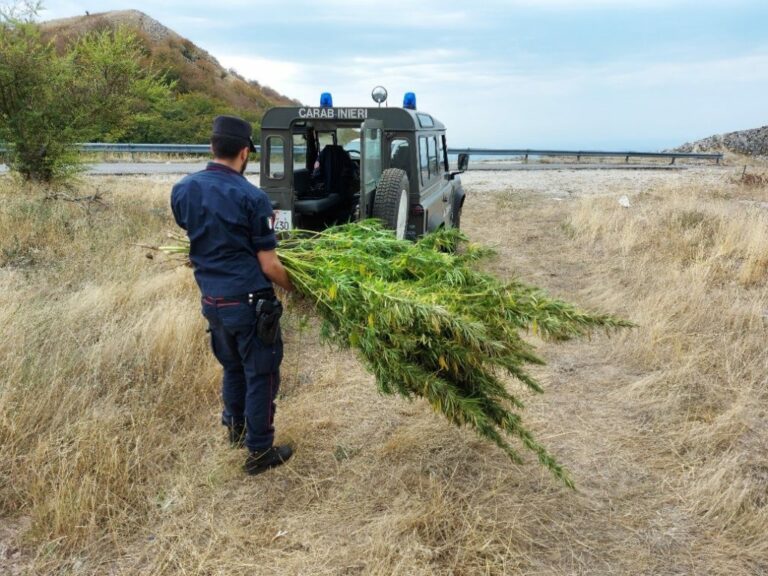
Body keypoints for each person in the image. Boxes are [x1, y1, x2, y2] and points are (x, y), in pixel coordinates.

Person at [170, 115, 294, 476]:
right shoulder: (251, 197)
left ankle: (236, 432)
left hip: (212, 301)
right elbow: (269, 264)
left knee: (233, 367)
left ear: (212, 147)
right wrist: (295, 287)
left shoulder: (183, 189)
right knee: (261, 372)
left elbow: (190, 230)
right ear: (244, 153)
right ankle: (259, 453)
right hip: (249, 302)